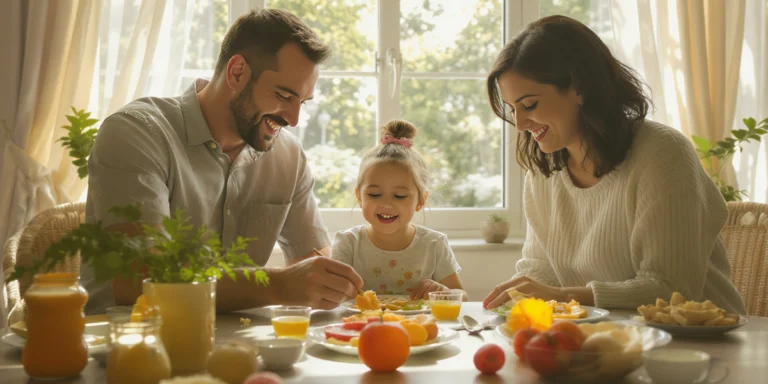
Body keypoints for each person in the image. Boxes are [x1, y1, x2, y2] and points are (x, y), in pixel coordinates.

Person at [82, 9, 363, 314]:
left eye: (302, 103)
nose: (293, 120)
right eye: (284, 95)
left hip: (240, 348)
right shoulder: (136, 133)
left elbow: (314, 265)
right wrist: (279, 285)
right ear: (237, 72)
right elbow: (139, 281)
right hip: (130, 347)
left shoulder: (288, 156)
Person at [481, 15, 745, 314]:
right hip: (611, 340)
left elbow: (671, 288)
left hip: (702, 345)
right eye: (512, 109)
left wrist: (561, 295)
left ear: (578, 87)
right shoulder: (544, 171)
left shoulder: (663, 153)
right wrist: (517, 296)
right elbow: (541, 267)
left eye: (529, 105)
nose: (519, 124)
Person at [331, 120, 468, 301]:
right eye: (374, 194)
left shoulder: (434, 243)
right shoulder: (348, 243)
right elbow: (332, 299)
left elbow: (463, 298)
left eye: (400, 196)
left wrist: (442, 292)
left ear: (420, 201)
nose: (386, 204)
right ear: (359, 196)